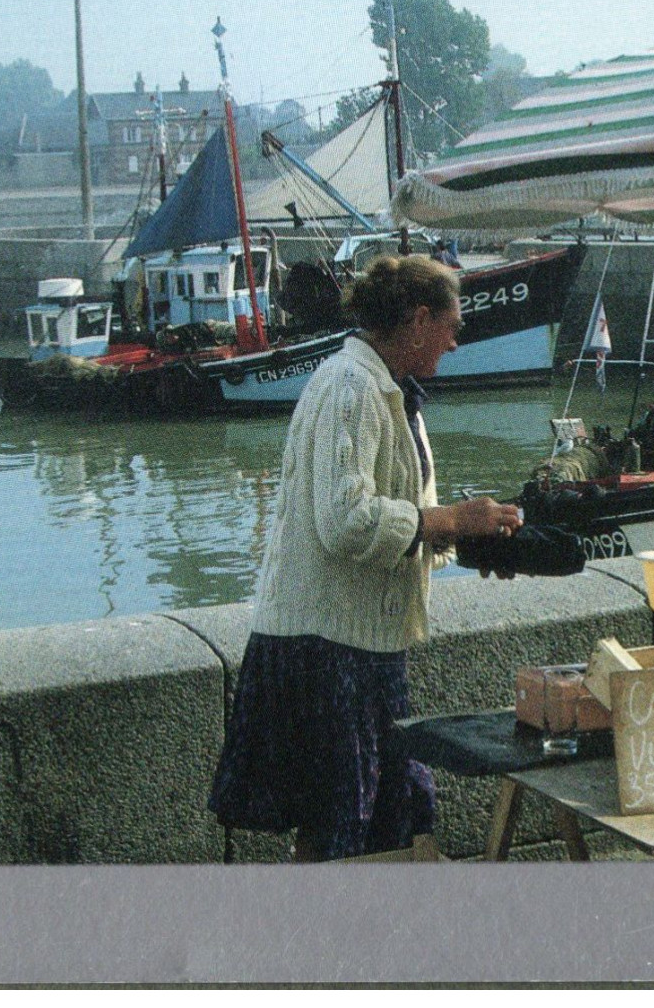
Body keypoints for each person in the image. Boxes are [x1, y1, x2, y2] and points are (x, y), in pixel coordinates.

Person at [208, 255, 522, 861]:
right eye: (451, 327)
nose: (455, 343)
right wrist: (452, 519)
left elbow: (404, 517)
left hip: (361, 644)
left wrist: (470, 540)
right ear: (419, 319)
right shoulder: (351, 386)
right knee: (338, 827)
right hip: (323, 648)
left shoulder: (394, 390)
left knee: (384, 821)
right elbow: (346, 521)